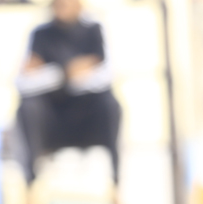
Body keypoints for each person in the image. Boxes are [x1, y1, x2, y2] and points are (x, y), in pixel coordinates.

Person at [15, 0, 122, 191]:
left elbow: (105, 74)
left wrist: (56, 73)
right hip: (52, 115)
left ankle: (116, 184)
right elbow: (26, 78)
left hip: (86, 114)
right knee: (28, 108)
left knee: (111, 104)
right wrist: (65, 73)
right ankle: (30, 188)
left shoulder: (93, 30)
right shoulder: (41, 34)